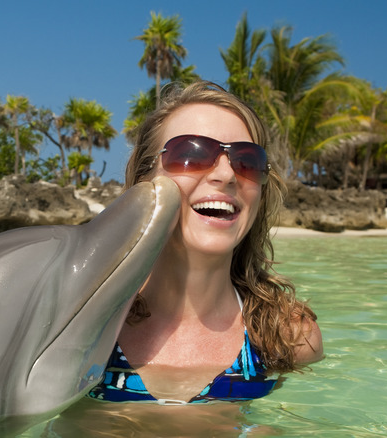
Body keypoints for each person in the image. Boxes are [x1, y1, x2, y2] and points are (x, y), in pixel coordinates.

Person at [87, 81, 323, 405]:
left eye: (247, 160)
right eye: (192, 153)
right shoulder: (90, 321)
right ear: (145, 180)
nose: (226, 174)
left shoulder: (288, 337)